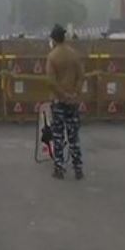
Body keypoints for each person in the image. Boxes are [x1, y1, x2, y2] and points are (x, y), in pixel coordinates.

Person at [46, 24, 85, 180]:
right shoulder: (74, 55)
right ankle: (78, 168)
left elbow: (51, 81)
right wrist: (74, 93)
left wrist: (62, 95)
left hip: (58, 102)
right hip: (73, 101)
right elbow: (81, 76)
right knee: (73, 135)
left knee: (58, 136)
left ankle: (59, 168)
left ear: (53, 39)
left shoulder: (52, 57)